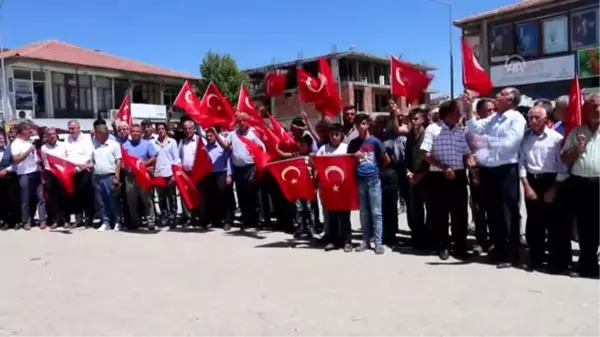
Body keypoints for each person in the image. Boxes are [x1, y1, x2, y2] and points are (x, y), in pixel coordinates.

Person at [464, 87, 527, 268]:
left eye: (501, 94)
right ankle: (499, 249)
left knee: (508, 212)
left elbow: (509, 144)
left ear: (510, 100)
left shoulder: (516, 119)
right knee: (494, 212)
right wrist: (469, 108)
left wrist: (486, 141)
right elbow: (475, 127)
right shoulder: (494, 118)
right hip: (490, 171)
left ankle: (511, 254)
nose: (496, 96)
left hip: (507, 170)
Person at [421, 100, 474, 260]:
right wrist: (443, 167)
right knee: (440, 214)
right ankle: (442, 246)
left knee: (460, 214)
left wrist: (470, 158)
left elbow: (466, 151)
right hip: (439, 177)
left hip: (458, 176)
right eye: (457, 111)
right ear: (448, 113)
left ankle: (460, 246)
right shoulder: (433, 129)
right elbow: (425, 153)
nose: (460, 114)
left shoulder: (459, 130)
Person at [519, 105, 567, 272]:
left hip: (552, 181)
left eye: (537, 118)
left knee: (555, 224)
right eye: (530, 117)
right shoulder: (525, 139)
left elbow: (562, 166)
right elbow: (522, 163)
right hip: (532, 181)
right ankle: (535, 258)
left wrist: (554, 188)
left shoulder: (556, 138)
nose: (533, 121)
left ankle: (556, 261)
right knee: (534, 224)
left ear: (546, 119)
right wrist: (526, 186)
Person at [560, 93, 600, 278]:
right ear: (585, 109)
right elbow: (564, 158)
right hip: (582, 185)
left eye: (599, 106)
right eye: (592, 106)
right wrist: (577, 150)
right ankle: (587, 264)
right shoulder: (577, 132)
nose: (596, 109)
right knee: (585, 227)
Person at [347, 113, 390, 255]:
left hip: (373, 179)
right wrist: (355, 158)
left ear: (368, 125)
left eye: (364, 123)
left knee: (376, 212)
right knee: (364, 212)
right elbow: (349, 164)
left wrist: (378, 171)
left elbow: (386, 159)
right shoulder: (353, 144)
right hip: (360, 179)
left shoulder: (375, 141)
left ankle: (378, 242)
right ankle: (365, 240)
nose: (361, 126)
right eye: (358, 124)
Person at [215, 114, 266, 231]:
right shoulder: (233, 134)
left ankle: (257, 219)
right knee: (241, 194)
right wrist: (215, 133)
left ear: (247, 122)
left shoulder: (252, 134)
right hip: (238, 168)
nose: (241, 123)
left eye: (243, 121)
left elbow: (261, 148)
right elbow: (224, 145)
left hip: (250, 167)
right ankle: (246, 219)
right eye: (239, 121)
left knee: (253, 194)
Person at [316, 123, 352, 252]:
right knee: (332, 215)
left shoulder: (346, 148)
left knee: (344, 215)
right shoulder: (323, 149)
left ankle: (347, 241)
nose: (334, 137)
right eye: (331, 134)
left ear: (341, 135)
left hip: (343, 186)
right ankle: (333, 241)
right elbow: (316, 164)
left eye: (336, 134)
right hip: (329, 188)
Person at [468, 98, 495, 254]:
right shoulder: (470, 129)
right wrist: (468, 156)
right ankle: (480, 241)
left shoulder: (498, 126)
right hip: (477, 173)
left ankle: (494, 241)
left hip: (495, 172)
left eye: (493, 109)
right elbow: (464, 147)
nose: (492, 113)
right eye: (488, 110)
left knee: (494, 208)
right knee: (478, 209)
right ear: (479, 113)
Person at [10, 122, 46, 231]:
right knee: (25, 199)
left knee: (40, 197)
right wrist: (28, 151)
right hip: (24, 174)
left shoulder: (30, 141)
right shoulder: (15, 144)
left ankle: (42, 220)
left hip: (36, 171)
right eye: (28, 130)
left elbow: (42, 137)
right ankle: (26, 221)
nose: (30, 132)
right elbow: (16, 160)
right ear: (23, 131)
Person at [404, 106, 431, 249]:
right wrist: (408, 172)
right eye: (411, 119)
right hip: (412, 177)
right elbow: (407, 156)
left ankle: (430, 238)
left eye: (416, 119)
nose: (413, 122)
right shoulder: (409, 136)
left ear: (422, 119)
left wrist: (420, 175)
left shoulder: (428, 134)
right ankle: (417, 237)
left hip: (426, 177)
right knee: (415, 208)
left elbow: (430, 158)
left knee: (430, 208)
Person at [122, 124, 158, 230]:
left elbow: (153, 157)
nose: (135, 133)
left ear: (141, 133)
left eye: (138, 131)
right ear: (130, 132)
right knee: (131, 201)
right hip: (130, 177)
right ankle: (134, 221)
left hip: (143, 175)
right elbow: (122, 161)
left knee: (147, 200)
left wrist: (143, 165)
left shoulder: (147, 144)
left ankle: (150, 221)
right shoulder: (125, 146)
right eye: (133, 131)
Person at [91, 124, 122, 231]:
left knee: (113, 200)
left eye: (97, 133)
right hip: (98, 176)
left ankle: (118, 221)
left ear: (103, 133)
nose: (96, 135)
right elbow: (93, 160)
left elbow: (118, 161)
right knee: (101, 201)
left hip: (110, 176)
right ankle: (106, 221)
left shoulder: (114, 145)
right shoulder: (95, 145)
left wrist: (117, 176)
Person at [65, 120, 95, 227]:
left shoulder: (86, 138)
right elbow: (66, 156)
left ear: (78, 128)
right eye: (69, 128)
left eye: (73, 128)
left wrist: (82, 166)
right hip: (72, 172)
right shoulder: (67, 140)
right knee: (75, 197)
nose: (71, 131)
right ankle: (78, 219)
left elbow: (90, 154)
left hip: (85, 171)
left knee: (87, 196)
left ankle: (88, 219)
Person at [203, 127, 232, 230]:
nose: (209, 137)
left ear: (215, 136)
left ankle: (227, 220)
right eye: (207, 136)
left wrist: (229, 174)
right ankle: (216, 220)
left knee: (224, 198)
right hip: (211, 175)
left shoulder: (221, 147)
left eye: (211, 136)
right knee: (212, 199)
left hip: (222, 173)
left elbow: (228, 160)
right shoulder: (206, 148)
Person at [152, 122, 180, 228]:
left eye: (162, 128)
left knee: (172, 197)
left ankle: (173, 218)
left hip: (169, 174)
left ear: (165, 129)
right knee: (161, 198)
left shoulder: (172, 142)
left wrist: (174, 174)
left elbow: (175, 159)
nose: (160, 130)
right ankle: (164, 217)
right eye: (158, 129)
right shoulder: (154, 143)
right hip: (159, 174)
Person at [40, 127, 69, 229]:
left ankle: (65, 220)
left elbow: (66, 159)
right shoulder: (44, 148)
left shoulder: (63, 145)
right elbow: (44, 162)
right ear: (46, 136)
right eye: (49, 135)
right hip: (50, 174)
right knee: (53, 198)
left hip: (62, 173)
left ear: (56, 135)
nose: (52, 136)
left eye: (53, 134)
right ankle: (56, 220)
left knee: (63, 197)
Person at [0, 132, 14, 230]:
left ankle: (8, 221)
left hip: (8, 178)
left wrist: (6, 170)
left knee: (8, 200)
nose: (1, 140)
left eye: (2, 138)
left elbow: (15, 163)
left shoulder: (10, 149)